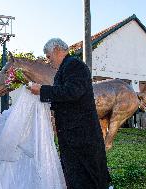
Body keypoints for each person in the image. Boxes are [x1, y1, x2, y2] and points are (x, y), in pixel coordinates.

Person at [28, 38, 109, 189]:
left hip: (82, 136)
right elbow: (64, 99)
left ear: (57, 50)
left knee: (87, 177)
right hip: (73, 136)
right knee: (75, 176)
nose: (48, 61)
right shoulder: (64, 69)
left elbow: (73, 92)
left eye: (48, 56)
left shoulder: (74, 65)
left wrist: (42, 90)